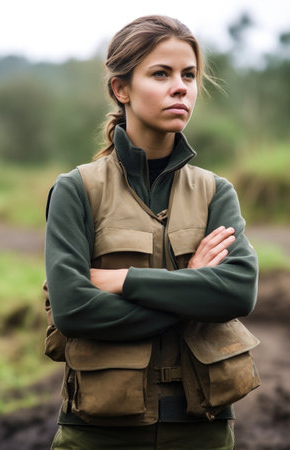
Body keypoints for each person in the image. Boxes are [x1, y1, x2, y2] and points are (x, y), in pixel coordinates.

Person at [44, 15, 258, 450]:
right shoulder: (77, 190)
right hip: (98, 433)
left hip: (203, 431)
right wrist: (192, 288)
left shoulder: (215, 192)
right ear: (121, 89)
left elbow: (238, 292)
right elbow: (73, 310)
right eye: (161, 73)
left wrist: (124, 281)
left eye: (189, 75)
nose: (180, 86)